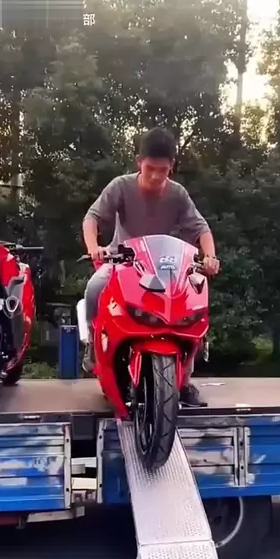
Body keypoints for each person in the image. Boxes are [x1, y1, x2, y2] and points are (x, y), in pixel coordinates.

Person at [81, 127, 220, 407]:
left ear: (172, 167)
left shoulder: (178, 194)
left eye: (163, 170)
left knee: (193, 306)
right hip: (123, 263)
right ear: (139, 162)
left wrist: (210, 257)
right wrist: (94, 246)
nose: (156, 176)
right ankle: (94, 346)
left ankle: (184, 382)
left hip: (165, 267)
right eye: (150, 169)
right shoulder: (121, 186)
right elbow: (92, 218)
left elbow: (201, 228)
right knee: (94, 287)